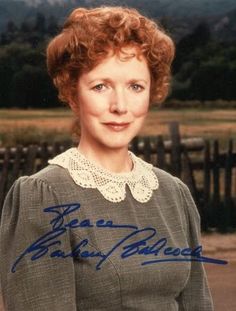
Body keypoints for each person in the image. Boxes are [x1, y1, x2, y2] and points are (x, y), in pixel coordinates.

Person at [0, 6, 214, 310]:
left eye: (135, 87)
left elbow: (198, 302)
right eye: (101, 86)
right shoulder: (44, 197)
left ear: (152, 93)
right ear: (73, 93)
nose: (120, 105)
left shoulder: (174, 194)